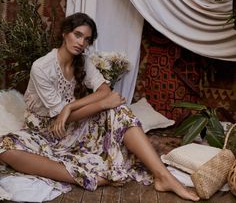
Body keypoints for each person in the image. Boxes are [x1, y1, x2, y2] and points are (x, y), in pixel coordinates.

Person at [0, 12, 199, 201]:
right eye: (77, 35)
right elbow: (83, 106)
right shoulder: (42, 67)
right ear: (64, 33)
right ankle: (85, 177)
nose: (81, 43)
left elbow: (104, 90)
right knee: (4, 148)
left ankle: (164, 177)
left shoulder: (82, 61)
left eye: (87, 39)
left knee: (119, 111)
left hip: (70, 125)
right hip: (44, 130)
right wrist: (96, 104)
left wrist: (72, 106)